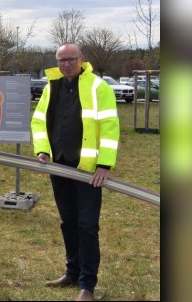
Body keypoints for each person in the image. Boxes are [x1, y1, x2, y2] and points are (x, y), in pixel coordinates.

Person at [31, 43, 120, 302]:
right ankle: (71, 272)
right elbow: (39, 122)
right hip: (59, 165)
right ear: (57, 62)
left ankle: (87, 286)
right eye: (62, 60)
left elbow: (110, 127)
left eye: (71, 59)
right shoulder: (52, 87)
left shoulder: (97, 87)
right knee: (68, 222)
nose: (66, 64)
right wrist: (42, 150)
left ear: (82, 59)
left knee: (87, 226)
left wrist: (104, 165)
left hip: (88, 170)